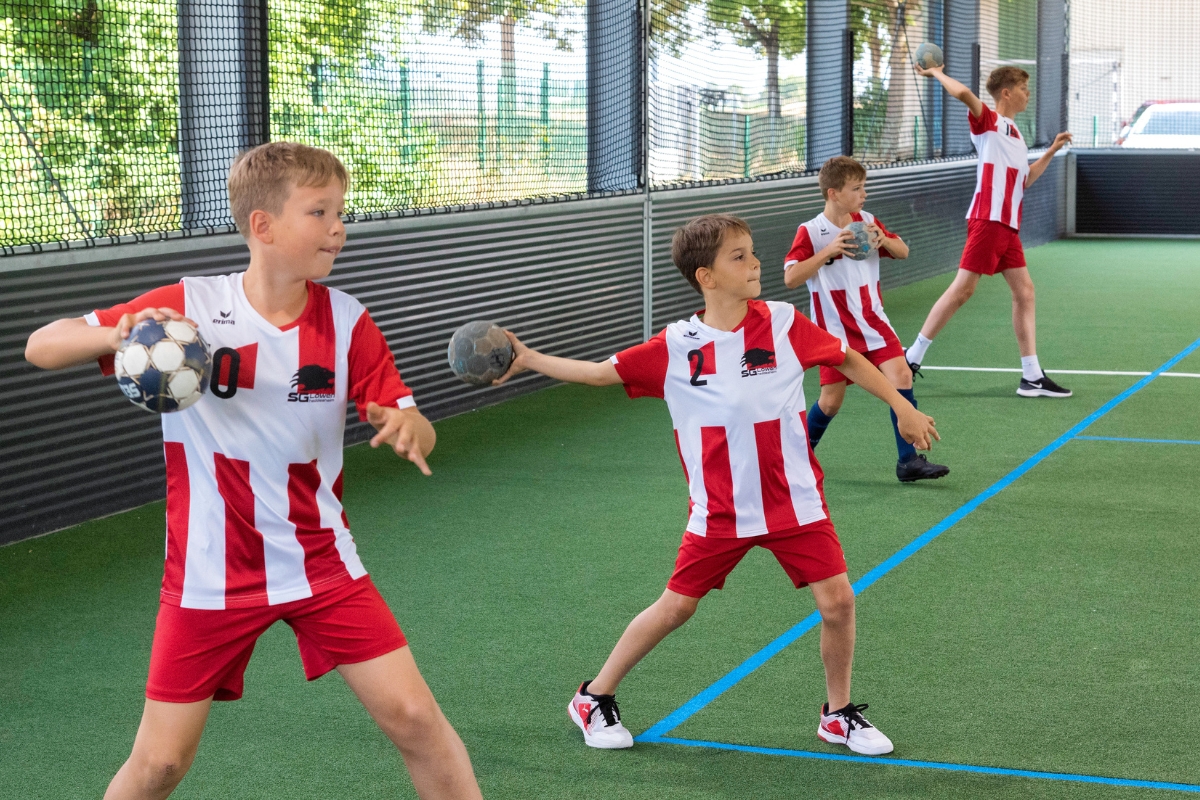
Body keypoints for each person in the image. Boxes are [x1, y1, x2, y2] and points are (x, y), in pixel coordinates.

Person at [24, 142, 482, 800]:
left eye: (340, 212)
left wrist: (412, 426)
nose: (338, 228)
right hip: (208, 570)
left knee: (416, 720)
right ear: (262, 226)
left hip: (321, 561)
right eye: (319, 212)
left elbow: (415, 419)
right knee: (159, 765)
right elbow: (42, 346)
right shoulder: (188, 307)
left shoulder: (348, 321)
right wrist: (120, 334)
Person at [493, 214, 941, 756]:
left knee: (838, 602)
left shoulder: (781, 322)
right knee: (676, 608)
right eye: (739, 256)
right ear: (705, 276)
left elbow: (845, 358)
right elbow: (598, 373)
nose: (755, 264)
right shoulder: (675, 346)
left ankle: (838, 713)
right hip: (720, 511)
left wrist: (900, 405)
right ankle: (593, 696)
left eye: (752, 253)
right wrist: (528, 358)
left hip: (796, 501)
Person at [906, 62, 1074, 398]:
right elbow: (965, 94)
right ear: (1007, 92)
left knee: (1024, 292)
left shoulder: (1014, 132)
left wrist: (1051, 151)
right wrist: (935, 73)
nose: (1028, 95)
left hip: (1008, 226)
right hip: (988, 220)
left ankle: (1031, 377)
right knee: (962, 291)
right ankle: (910, 359)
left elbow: (1022, 180)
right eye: (1024, 89)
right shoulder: (988, 123)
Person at [785, 156, 949, 482]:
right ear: (833, 193)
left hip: (873, 321)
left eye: (864, 187)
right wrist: (827, 251)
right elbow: (791, 277)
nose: (864, 194)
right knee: (830, 403)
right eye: (857, 188)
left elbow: (903, 251)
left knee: (901, 375)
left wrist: (882, 239)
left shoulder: (867, 221)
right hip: (833, 331)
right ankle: (792, 457)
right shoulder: (812, 231)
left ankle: (908, 462)